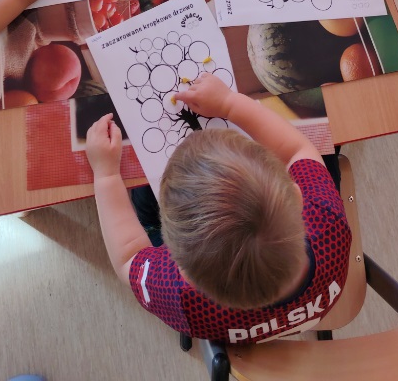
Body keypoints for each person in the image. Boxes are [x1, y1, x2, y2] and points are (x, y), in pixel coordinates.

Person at [85, 72, 350, 344]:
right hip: (302, 308)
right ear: (296, 196)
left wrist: (106, 174)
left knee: (144, 199)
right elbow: (298, 150)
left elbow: (128, 257)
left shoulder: (179, 296)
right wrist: (228, 103)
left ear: (182, 272)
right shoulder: (329, 225)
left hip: (225, 326)